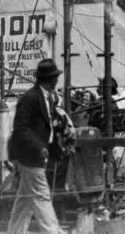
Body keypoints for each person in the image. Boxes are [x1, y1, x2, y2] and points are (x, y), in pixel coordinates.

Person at [7, 58, 75, 234]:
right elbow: (20, 128)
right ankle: (53, 231)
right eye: (55, 77)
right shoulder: (30, 98)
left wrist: (57, 150)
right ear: (49, 79)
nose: (57, 80)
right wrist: (39, 147)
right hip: (29, 155)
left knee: (24, 200)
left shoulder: (48, 98)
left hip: (36, 155)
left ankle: (14, 231)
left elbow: (48, 128)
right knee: (41, 196)